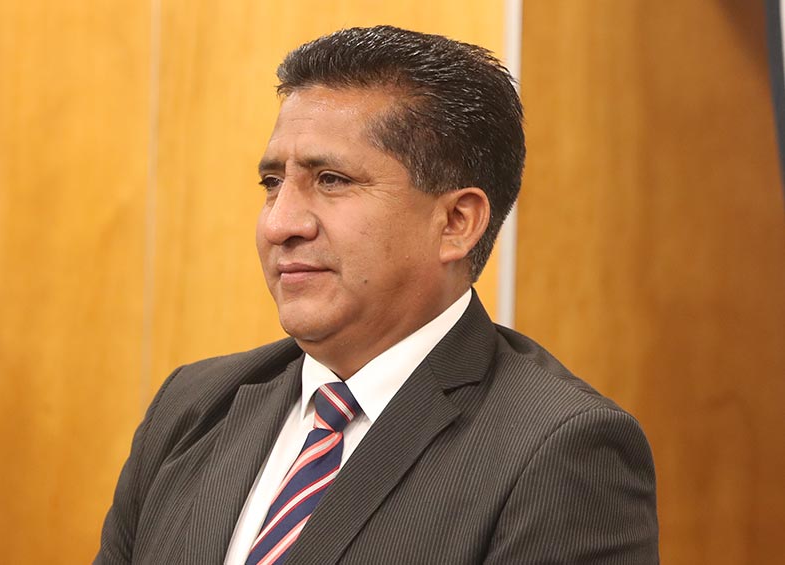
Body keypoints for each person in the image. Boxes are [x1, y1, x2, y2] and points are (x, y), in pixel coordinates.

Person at [96, 25, 659, 565]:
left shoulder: (559, 448)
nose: (280, 224)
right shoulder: (192, 406)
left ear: (456, 223)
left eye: (331, 180)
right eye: (273, 183)